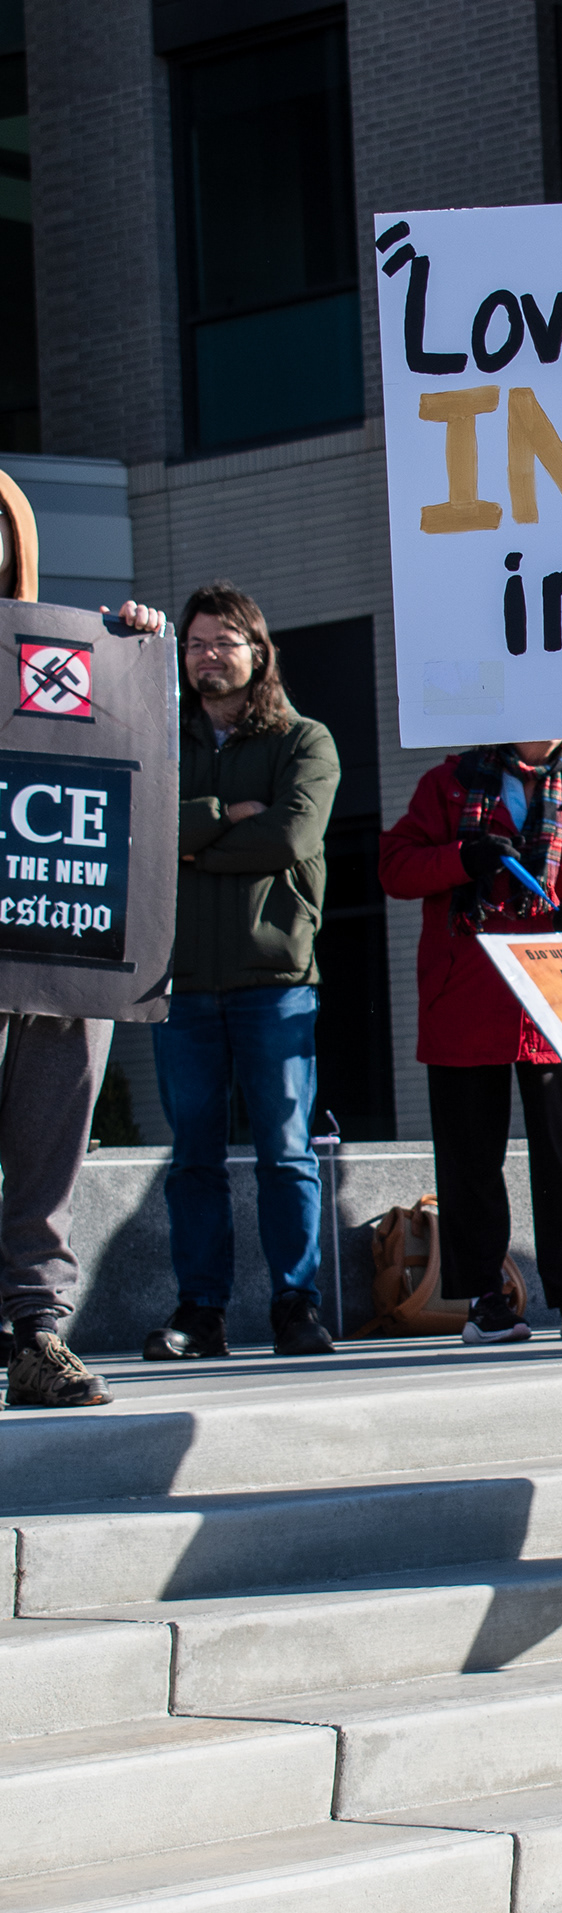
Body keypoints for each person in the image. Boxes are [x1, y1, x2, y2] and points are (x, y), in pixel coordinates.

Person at [0, 487, 168, 1405]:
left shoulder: (66, 652)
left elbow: (130, 752)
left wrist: (131, 645)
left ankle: (36, 1335)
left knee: (51, 1150)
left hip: (67, 945)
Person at [143, 583, 341, 1364]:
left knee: (286, 1152)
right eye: (194, 644)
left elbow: (290, 837)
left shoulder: (305, 740)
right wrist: (224, 816)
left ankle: (297, 1306)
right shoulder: (163, 737)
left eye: (224, 641)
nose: (207, 656)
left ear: (258, 652)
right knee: (192, 1158)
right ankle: (202, 1313)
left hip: (275, 981)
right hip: (182, 981)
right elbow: (143, 825)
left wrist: (189, 838)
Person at [379, 737, 562, 1342]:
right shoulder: (448, 784)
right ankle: (486, 1301)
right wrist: (465, 858)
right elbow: (396, 868)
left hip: (550, 1001)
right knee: (469, 1161)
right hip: (464, 995)